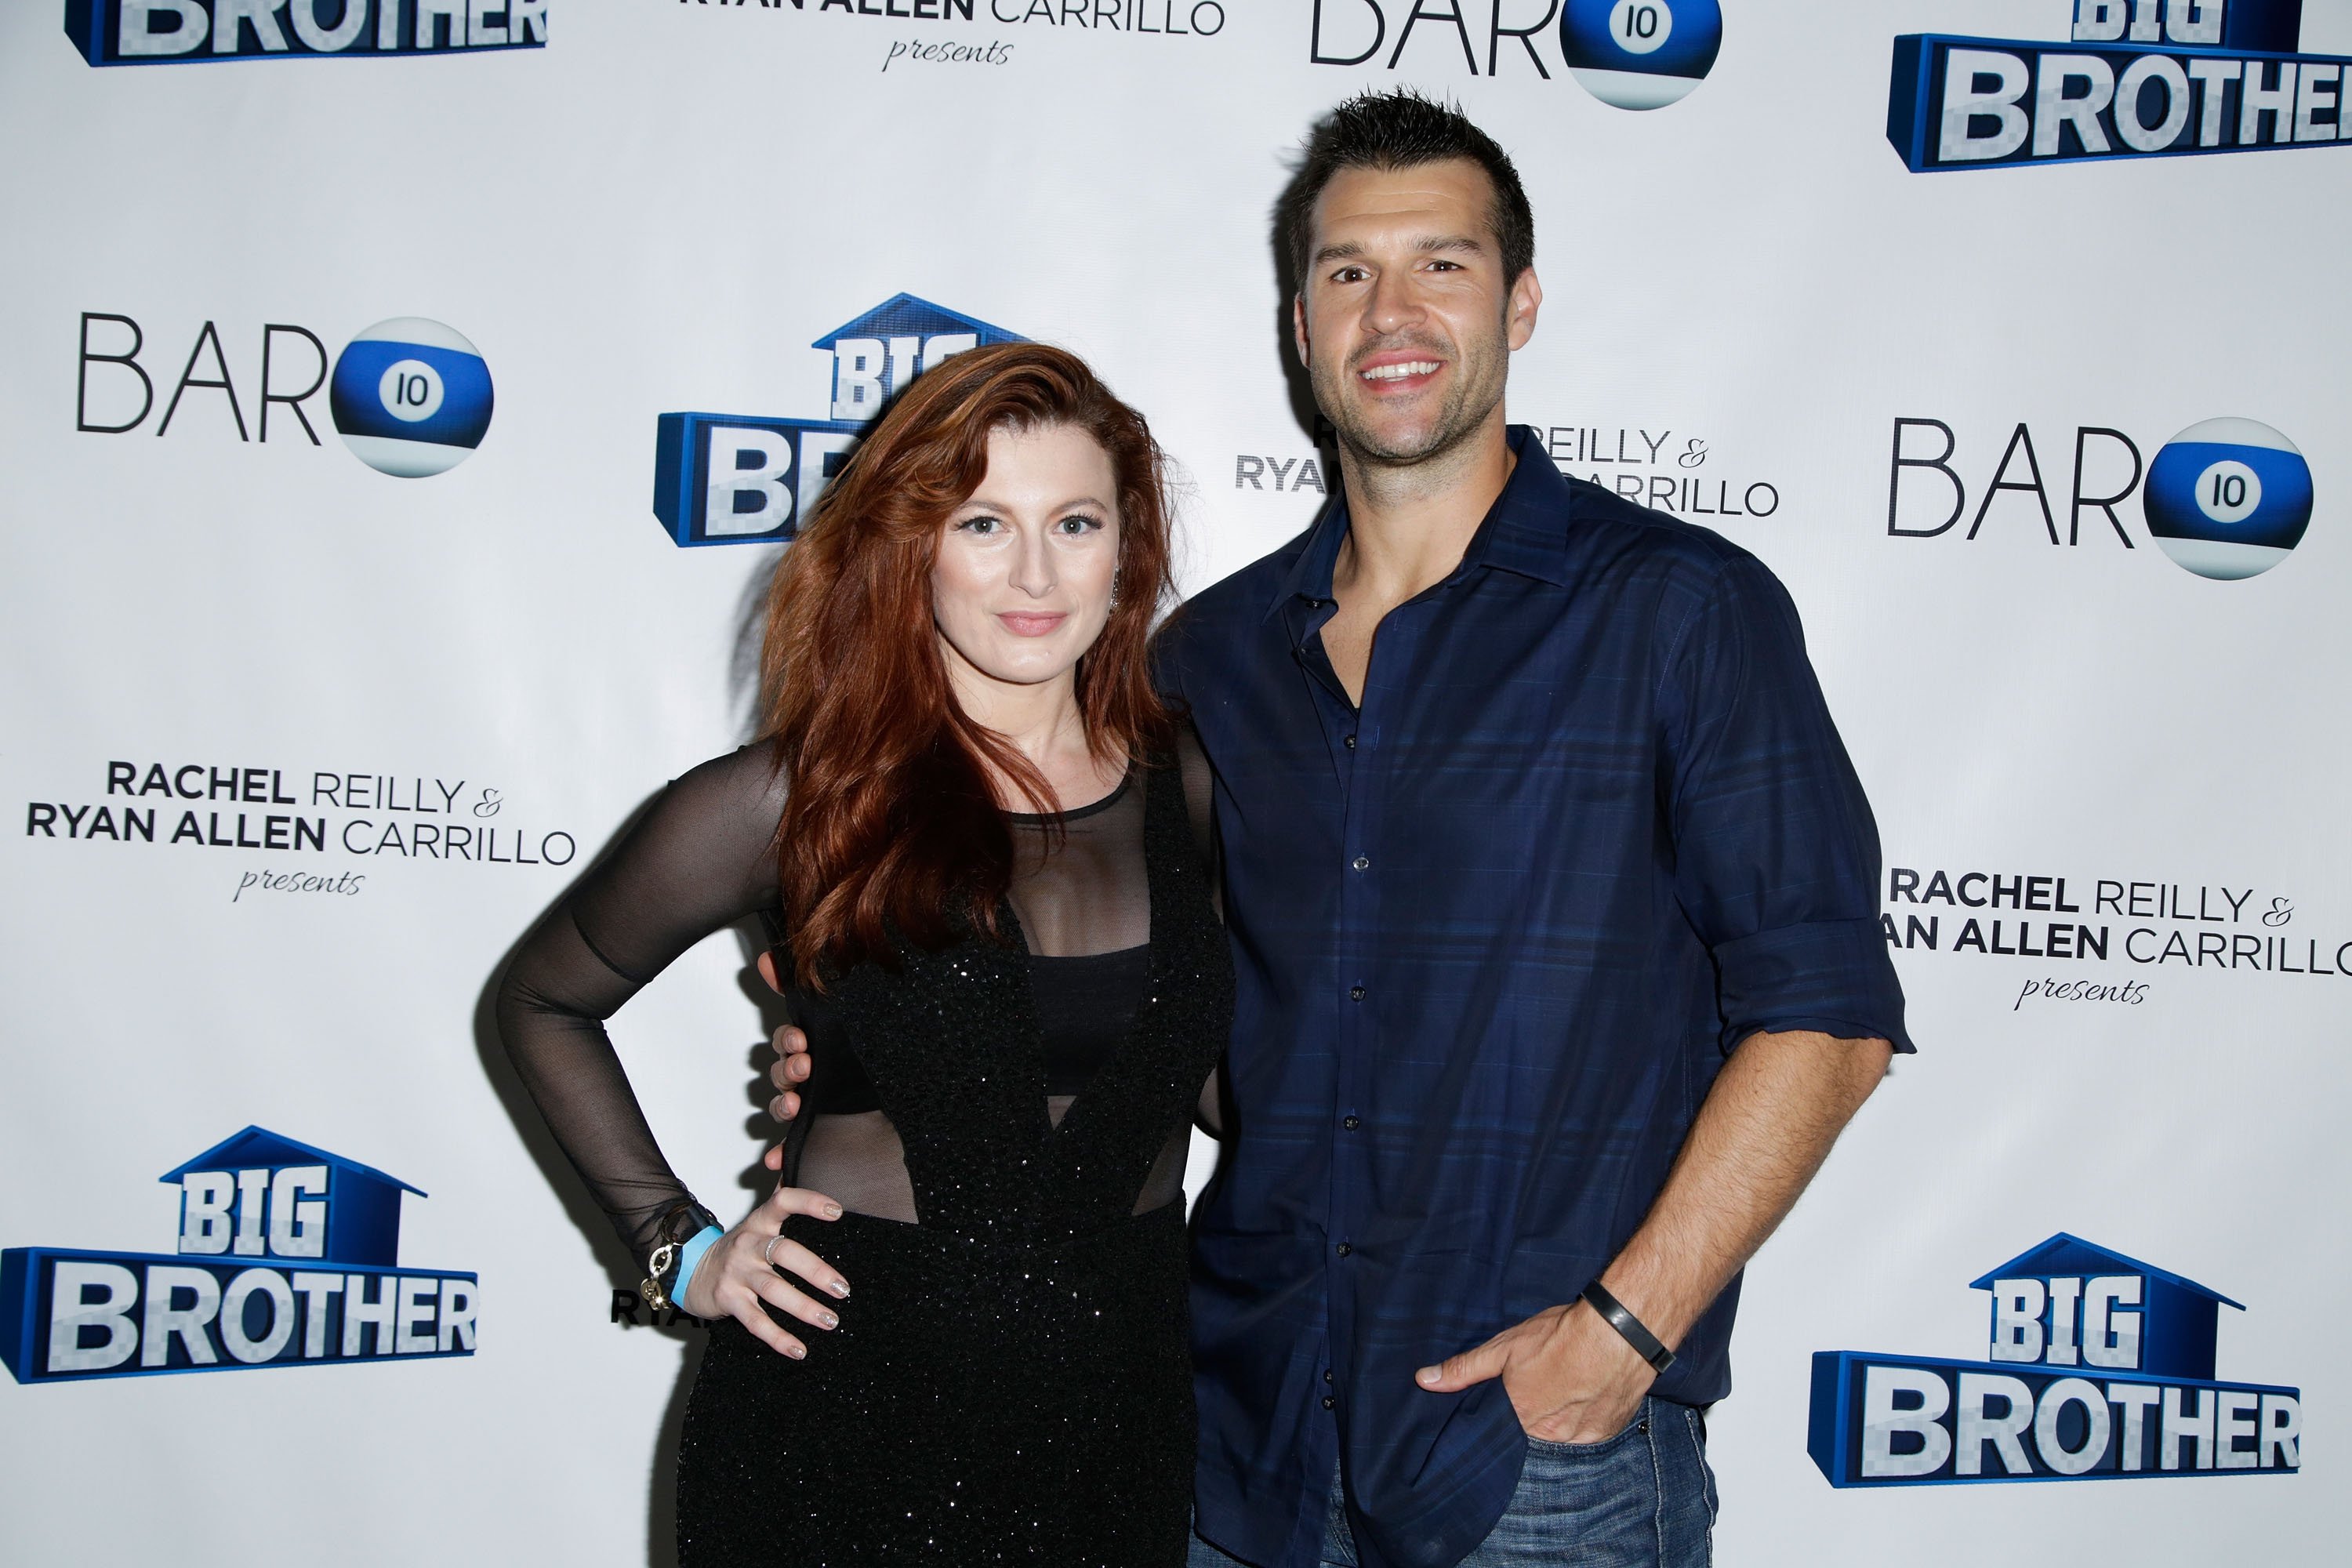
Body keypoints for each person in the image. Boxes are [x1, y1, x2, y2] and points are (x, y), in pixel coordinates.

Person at [771, 92, 1913, 1567]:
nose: (1394, 309)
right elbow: (1151, 1006)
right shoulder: (1208, 663)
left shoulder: (1678, 612)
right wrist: (882, 1043)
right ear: (1298, 327)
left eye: (1443, 263)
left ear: (1522, 300)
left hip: (1535, 1460)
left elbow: (1826, 1016)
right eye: (1346, 272)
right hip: (1234, 1439)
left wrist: (1626, 1332)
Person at [496, 342, 1232, 1566]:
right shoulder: (796, 799)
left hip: (1122, 1432)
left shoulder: (1201, 785)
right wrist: (677, 1254)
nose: (1036, 573)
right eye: (985, 522)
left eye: (1077, 521)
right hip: (835, 1431)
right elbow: (541, 1002)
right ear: (914, 549)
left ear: (1128, 548)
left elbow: (1204, 1075)